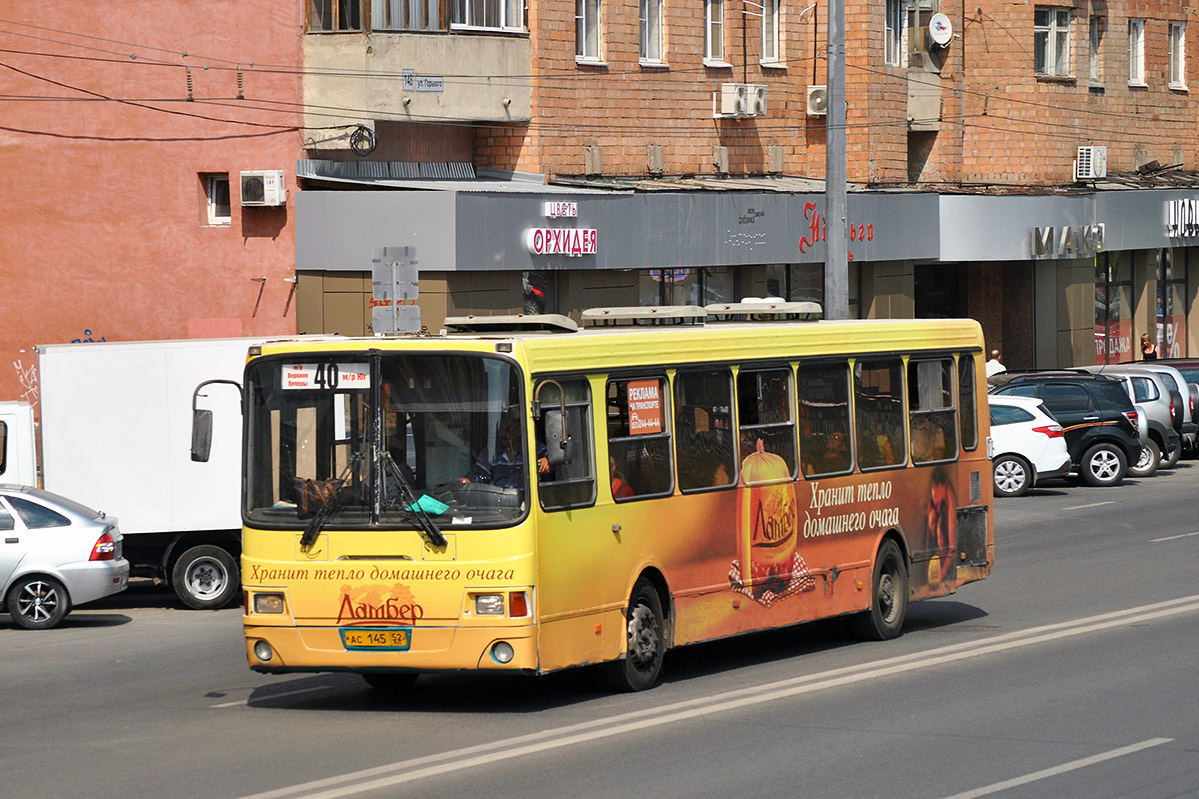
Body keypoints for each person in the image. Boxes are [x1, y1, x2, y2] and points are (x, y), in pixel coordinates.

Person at [462, 418, 549, 488]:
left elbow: (553, 461)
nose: (504, 434)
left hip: (528, 503)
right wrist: (468, 480)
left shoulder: (535, 448)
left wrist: (546, 461)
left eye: (508, 430)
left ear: (519, 430)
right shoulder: (490, 452)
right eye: (501, 430)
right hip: (499, 503)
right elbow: (479, 473)